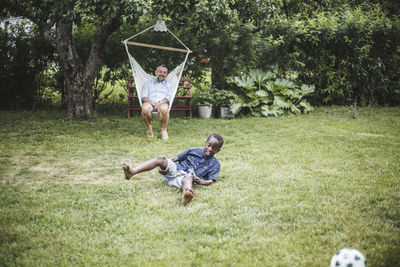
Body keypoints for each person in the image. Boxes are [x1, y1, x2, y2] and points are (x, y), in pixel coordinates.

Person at [122, 133, 224, 204]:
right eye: (209, 145)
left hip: (183, 180)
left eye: (214, 148)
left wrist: (201, 182)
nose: (210, 149)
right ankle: (132, 172)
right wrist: (165, 166)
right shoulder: (192, 150)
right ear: (205, 143)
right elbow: (174, 159)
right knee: (161, 158)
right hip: (175, 170)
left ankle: (187, 193)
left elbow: (211, 180)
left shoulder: (215, 164)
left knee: (189, 177)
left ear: (218, 150)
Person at [141, 64, 172, 140]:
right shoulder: (148, 84)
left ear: (166, 74)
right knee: (144, 108)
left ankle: (163, 129)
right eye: (160, 71)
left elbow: (168, 98)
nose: (162, 74)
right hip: (150, 103)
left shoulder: (169, 85)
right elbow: (143, 97)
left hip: (162, 103)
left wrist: (159, 103)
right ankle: (149, 128)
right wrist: (153, 103)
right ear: (156, 72)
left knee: (164, 108)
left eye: (164, 72)